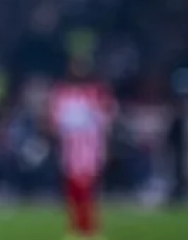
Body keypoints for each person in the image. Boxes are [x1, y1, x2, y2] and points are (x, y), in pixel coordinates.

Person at [48, 58, 116, 239]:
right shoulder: (61, 92)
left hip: (90, 144)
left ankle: (90, 227)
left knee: (87, 186)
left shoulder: (96, 92)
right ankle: (76, 226)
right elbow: (54, 118)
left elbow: (106, 115)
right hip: (69, 144)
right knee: (72, 187)